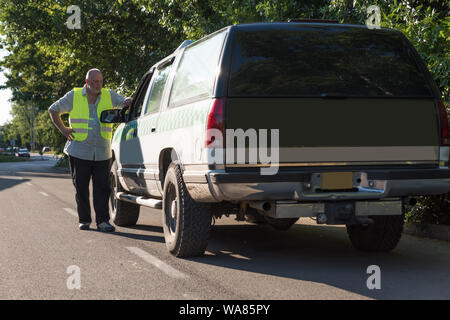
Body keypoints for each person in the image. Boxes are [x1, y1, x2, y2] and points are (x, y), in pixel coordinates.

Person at [48, 68, 132, 232]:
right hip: (79, 150)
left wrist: (128, 100)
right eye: (94, 82)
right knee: (81, 188)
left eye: (100, 81)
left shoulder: (109, 95)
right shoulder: (74, 95)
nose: (97, 85)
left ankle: (103, 221)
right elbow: (53, 109)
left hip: (102, 151)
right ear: (87, 82)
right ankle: (84, 220)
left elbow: (124, 103)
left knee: (102, 188)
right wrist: (63, 129)